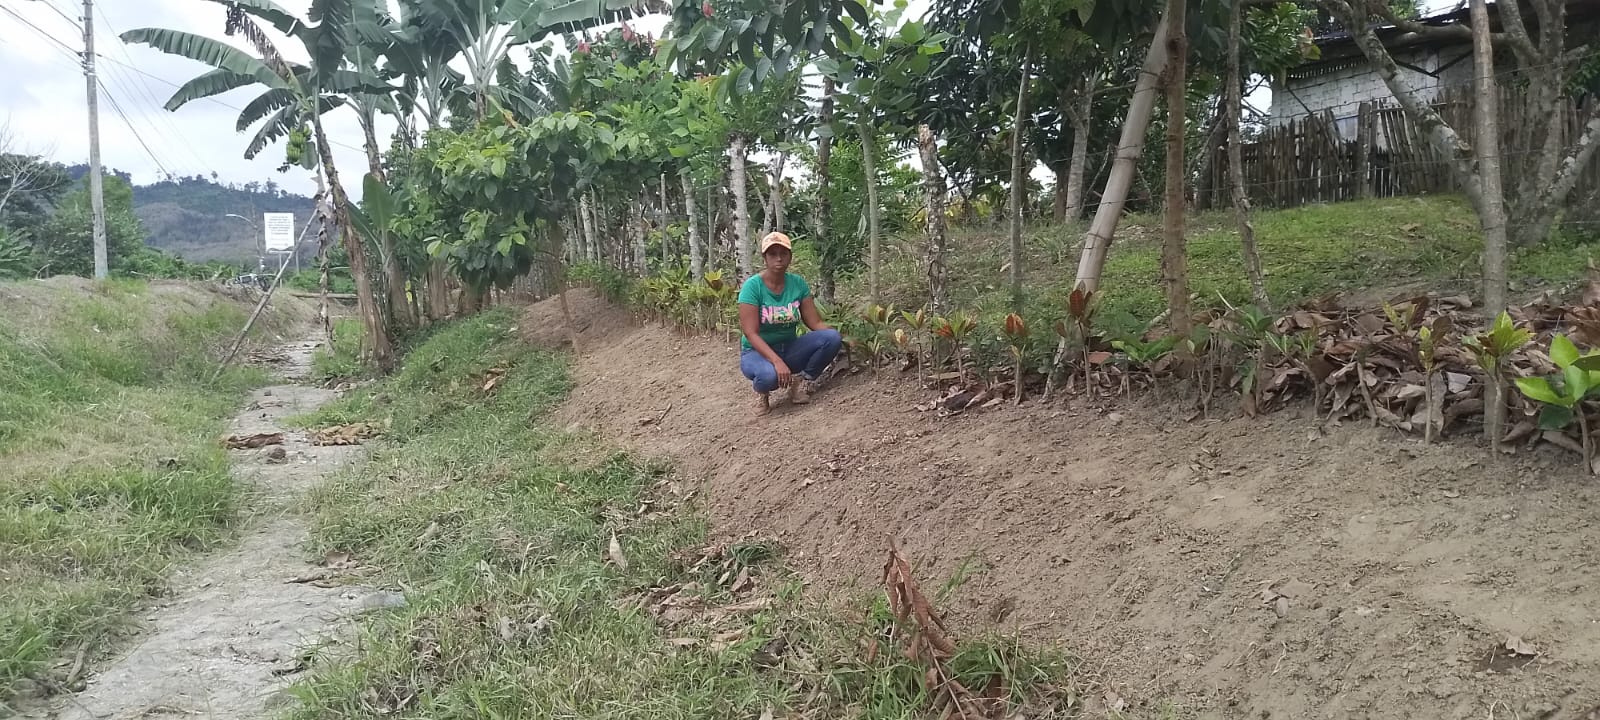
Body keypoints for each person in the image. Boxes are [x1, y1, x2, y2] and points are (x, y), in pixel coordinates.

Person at [738, 232, 843, 416]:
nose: (778, 258)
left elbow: (815, 323)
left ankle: (800, 382)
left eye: (783, 253)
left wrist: (841, 338)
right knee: (768, 377)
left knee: (832, 338)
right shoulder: (752, 287)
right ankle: (762, 393)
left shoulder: (797, 284)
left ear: (790, 257)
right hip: (757, 352)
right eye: (773, 254)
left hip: (789, 348)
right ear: (764, 258)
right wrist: (776, 361)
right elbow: (750, 333)